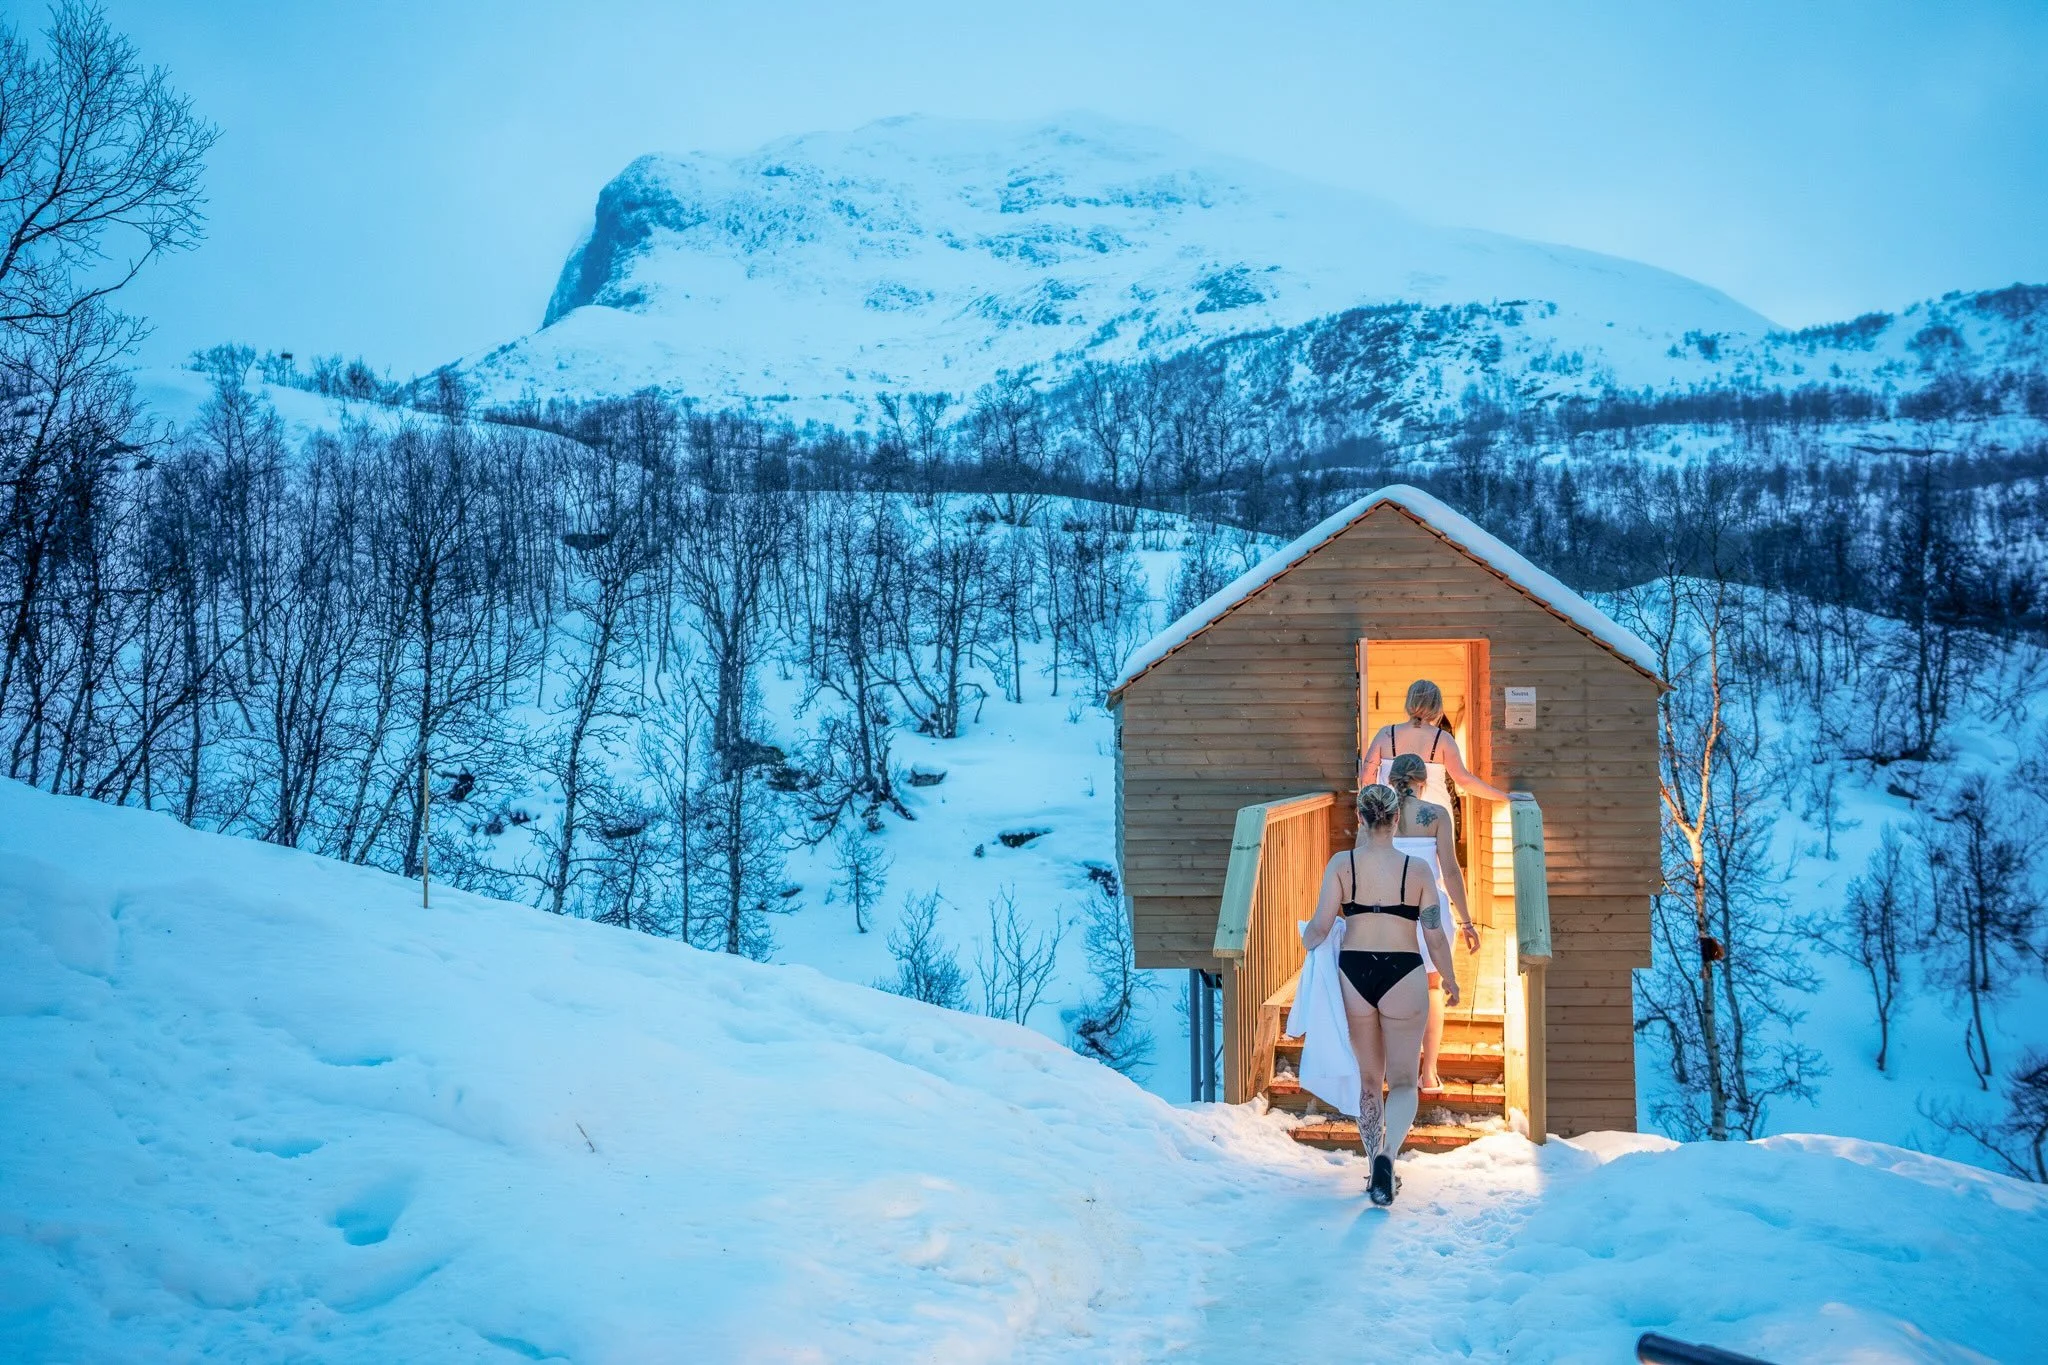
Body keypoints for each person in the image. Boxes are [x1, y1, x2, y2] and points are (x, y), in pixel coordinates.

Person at [1302, 784, 1460, 1207]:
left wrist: (1308, 942)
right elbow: (1435, 937)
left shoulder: (1342, 865)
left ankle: (1374, 1165)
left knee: (1370, 1080)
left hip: (1355, 973)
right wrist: (1450, 979)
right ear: (1395, 820)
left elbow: (1319, 927)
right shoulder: (1418, 871)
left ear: (1361, 818)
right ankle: (1390, 1154)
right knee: (1405, 1080)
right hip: (1403, 972)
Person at [1388, 753, 1480, 1092]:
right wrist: (1467, 921)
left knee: (1395, 988)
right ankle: (1428, 1074)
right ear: (1423, 782)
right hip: (1430, 911)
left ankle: (1399, 1070)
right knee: (1431, 988)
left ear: (1391, 781)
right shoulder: (1437, 815)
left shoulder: (1379, 816)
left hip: (1391, 912)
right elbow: (1451, 871)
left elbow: (1361, 865)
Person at [1359, 678, 1512, 807]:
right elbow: (1464, 780)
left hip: (1392, 817)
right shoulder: (1443, 739)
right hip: (1434, 818)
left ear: (1409, 703)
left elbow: (1367, 778)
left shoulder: (1386, 734)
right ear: (1437, 706)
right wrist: (1505, 797)